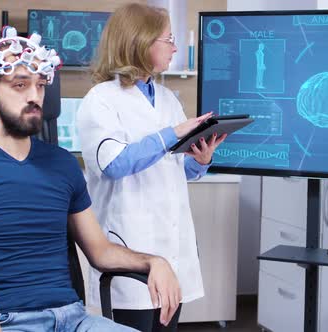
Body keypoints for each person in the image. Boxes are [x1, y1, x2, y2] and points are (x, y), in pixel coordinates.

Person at [0, 26, 181, 332]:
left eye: (40, 85)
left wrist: (154, 261)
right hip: (4, 322)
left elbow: (100, 252)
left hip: (75, 319)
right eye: (20, 85)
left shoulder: (62, 164)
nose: (35, 97)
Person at [77, 4, 226, 331]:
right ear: (139, 42)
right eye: (168, 39)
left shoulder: (167, 98)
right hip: (129, 251)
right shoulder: (101, 99)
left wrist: (200, 162)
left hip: (172, 253)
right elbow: (114, 164)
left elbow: (172, 169)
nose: (174, 47)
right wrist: (172, 134)